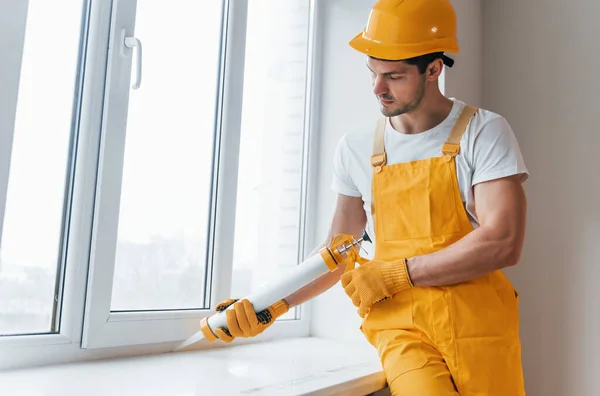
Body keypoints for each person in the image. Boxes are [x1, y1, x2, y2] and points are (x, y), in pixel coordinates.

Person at [207, 0, 528, 394]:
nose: (378, 88)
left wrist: (398, 272)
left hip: (479, 328)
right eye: (372, 73)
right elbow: (337, 252)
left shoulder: (484, 132)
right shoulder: (357, 147)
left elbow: (503, 242)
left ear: (433, 69)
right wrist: (271, 304)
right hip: (401, 328)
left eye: (393, 76)